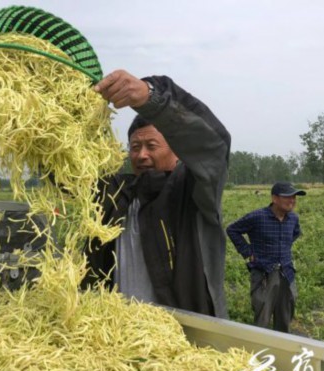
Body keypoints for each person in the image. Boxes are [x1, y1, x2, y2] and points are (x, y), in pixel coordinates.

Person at [82, 70, 231, 318]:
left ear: (178, 152)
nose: (141, 155)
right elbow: (67, 175)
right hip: (116, 336)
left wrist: (152, 97)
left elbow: (213, 145)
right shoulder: (115, 193)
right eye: (135, 147)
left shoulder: (193, 191)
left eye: (152, 146)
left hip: (182, 340)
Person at [226, 182, 306, 332]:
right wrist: (248, 252)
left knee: (285, 314)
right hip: (264, 274)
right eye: (288, 197)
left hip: (287, 273)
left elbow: (295, 233)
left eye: (294, 197)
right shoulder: (258, 217)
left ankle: (281, 347)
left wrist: (282, 247)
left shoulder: (293, 219)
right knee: (262, 314)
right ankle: (260, 350)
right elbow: (232, 230)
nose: (292, 201)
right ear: (275, 198)